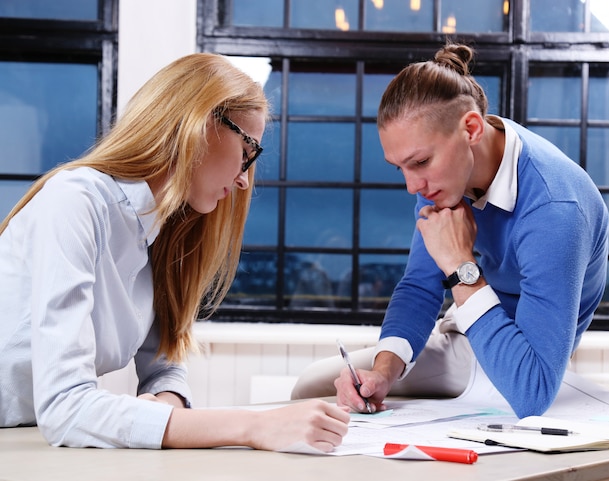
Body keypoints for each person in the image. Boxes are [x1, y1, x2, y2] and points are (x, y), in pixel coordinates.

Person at [0, 53, 349, 451]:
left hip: (26, 441)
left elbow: (163, 366)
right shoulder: (76, 202)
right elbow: (66, 407)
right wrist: (252, 426)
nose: (241, 179)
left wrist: (166, 403)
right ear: (199, 125)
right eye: (249, 149)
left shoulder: (156, 232)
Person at [291, 42, 609, 419]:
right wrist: (383, 371)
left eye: (421, 162)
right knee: (316, 386)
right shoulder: (446, 177)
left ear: (471, 128)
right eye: (401, 168)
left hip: (518, 356)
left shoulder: (555, 208)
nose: (412, 186)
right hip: (462, 331)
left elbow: (532, 389)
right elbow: (419, 286)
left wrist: (460, 265)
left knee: (313, 385)